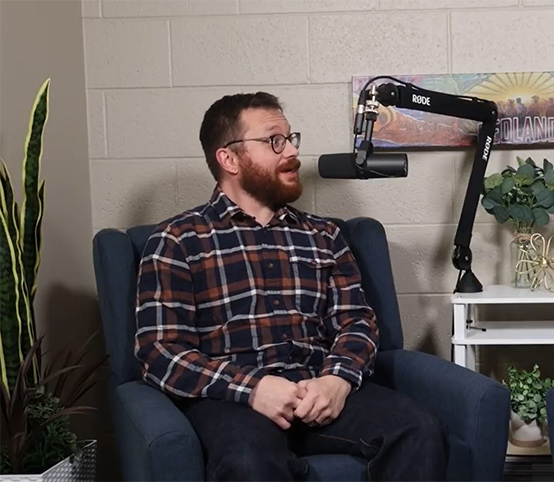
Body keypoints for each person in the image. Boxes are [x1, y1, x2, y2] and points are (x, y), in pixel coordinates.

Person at [134, 92, 448, 481]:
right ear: (228, 159)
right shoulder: (178, 240)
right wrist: (252, 388)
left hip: (319, 388)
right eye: (274, 141)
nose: (292, 152)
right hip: (234, 401)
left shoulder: (324, 235)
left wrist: (337, 379)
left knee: (418, 429)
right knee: (247, 462)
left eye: (290, 138)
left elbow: (356, 323)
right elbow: (160, 351)